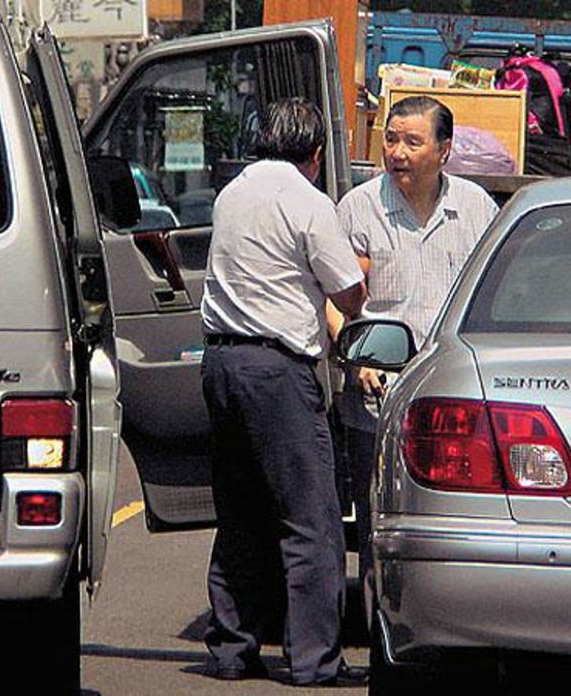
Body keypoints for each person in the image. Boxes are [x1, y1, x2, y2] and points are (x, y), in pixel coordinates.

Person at [200, 97, 367, 687]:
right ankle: (314, 660)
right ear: (316, 155)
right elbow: (348, 295)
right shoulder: (309, 201)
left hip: (221, 363)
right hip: (276, 370)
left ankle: (230, 650)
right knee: (310, 522)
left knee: (241, 515)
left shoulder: (232, 193)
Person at [333, 95, 499, 606]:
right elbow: (331, 299)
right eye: (390, 139)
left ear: (443, 150)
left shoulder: (476, 209)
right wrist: (357, 356)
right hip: (375, 399)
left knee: (460, 521)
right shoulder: (358, 208)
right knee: (376, 524)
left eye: (412, 141)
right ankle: (379, 624)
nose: (397, 152)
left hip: (454, 402)